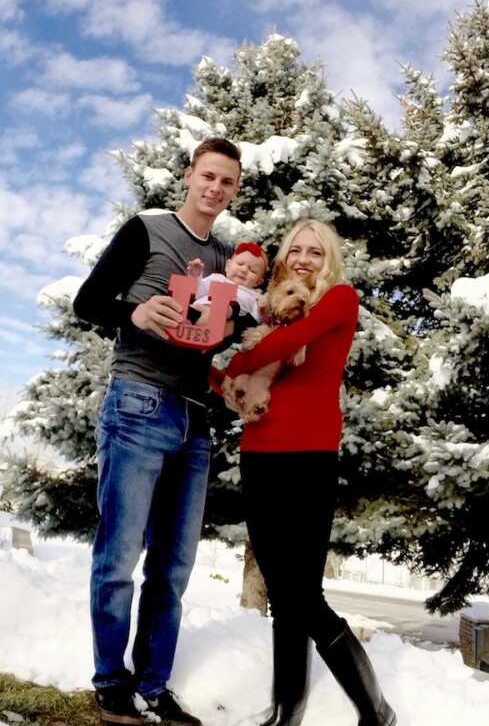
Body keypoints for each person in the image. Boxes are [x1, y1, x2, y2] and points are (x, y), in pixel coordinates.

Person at [73, 137, 248, 726]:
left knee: (173, 568)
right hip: (139, 404)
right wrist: (135, 313)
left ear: (235, 189)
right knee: (119, 556)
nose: (215, 188)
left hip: (195, 420)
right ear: (189, 175)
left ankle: (153, 683)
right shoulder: (146, 230)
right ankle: (110, 681)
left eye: (227, 181)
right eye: (208, 176)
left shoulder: (226, 260)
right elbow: (88, 301)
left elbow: (216, 335)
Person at [218, 219, 397, 726]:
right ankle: (285, 713)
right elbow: (237, 377)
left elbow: (278, 347)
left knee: (303, 593)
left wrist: (239, 363)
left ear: (328, 259)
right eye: (295, 250)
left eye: (314, 252)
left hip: (310, 457)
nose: (303, 258)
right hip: (260, 453)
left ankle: (375, 711)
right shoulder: (268, 304)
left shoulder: (339, 299)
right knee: (281, 591)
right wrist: (225, 381)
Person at [187, 241, 268, 324]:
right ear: (227, 266)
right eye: (240, 264)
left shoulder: (254, 297)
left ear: (258, 282)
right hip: (199, 310)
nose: (244, 270)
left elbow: (255, 320)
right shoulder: (217, 278)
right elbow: (198, 292)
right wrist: (195, 276)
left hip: (225, 321)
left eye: (252, 270)